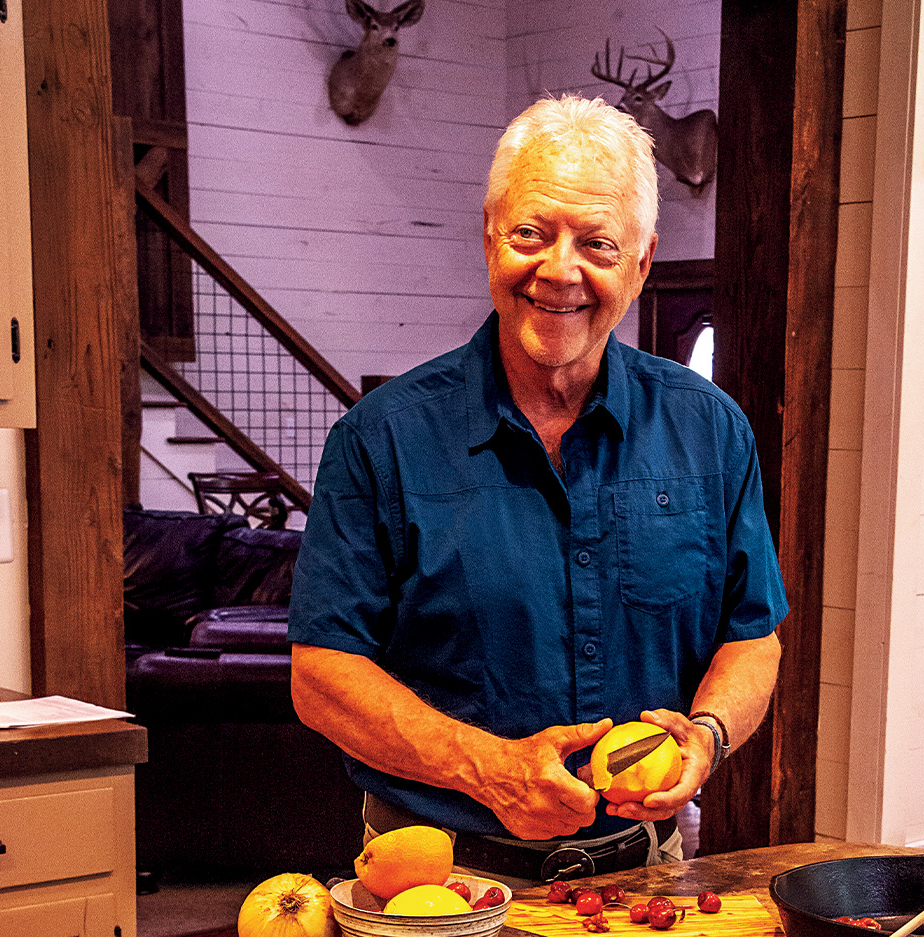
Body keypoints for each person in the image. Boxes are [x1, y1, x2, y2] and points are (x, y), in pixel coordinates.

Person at [288, 94, 788, 887]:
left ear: (642, 262)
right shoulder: (380, 440)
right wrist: (489, 769)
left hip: (645, 882)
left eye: (596, 242)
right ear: (490, 235)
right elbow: (322, 677)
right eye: (531, 232)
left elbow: (753, 636)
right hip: (435, 884)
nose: (560, 269)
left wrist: (708, 737)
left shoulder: (712, 431)